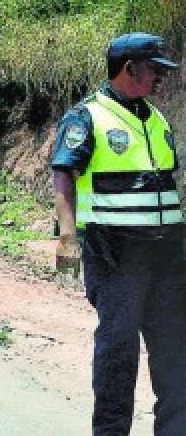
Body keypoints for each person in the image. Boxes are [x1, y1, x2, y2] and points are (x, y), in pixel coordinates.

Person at [50, 32, 186, 435]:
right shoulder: (87, 116)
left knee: (176, 363)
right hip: (116, 257)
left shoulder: (156, 119)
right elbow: (64, 175)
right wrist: (68, 238)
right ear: (129, 69)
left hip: (168, 260)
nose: (161, 79)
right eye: (155, 70)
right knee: (118, 360)